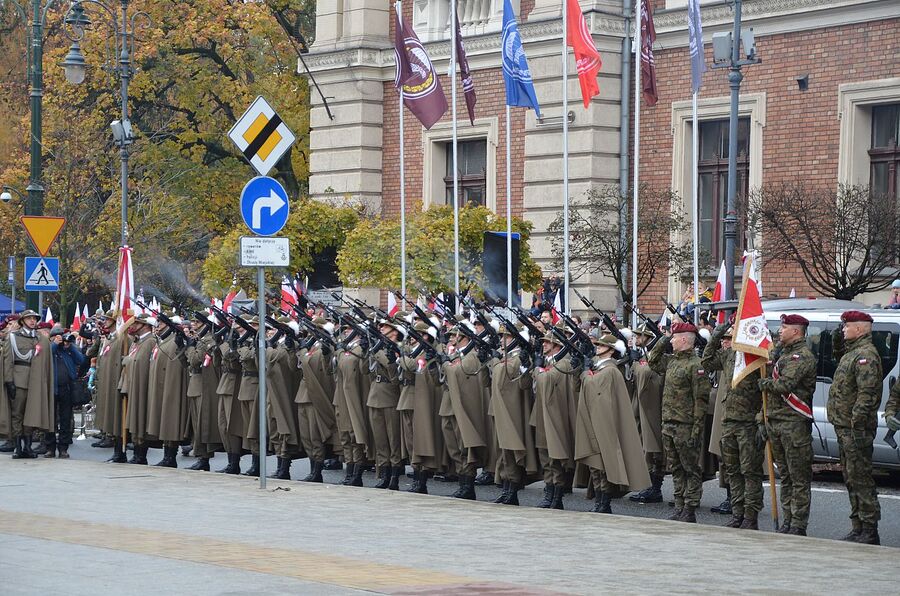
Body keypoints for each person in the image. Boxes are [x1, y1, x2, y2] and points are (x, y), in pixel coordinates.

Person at [575, 332, 650, 514]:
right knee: (596, 466)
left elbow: (594, 386)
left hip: (605, 423)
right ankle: (600, 501)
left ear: (610, 350)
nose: (597, 347)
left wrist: (585, 372)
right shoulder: (602, 368)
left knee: (603, 464)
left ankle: (604, 502)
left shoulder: (610, 370)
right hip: (597, 419)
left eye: (601, 345)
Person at [827, 310, 882, 545]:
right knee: (851, 477)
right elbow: (837, 348)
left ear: (859, 329)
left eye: (847, 326)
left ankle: (869, 529)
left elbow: (867, 395)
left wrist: (857, 425)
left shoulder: (866, 355)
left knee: (861, 478)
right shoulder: (852, 353)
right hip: (844, 426)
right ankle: (858, 526)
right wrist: (837, 335)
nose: (843, 329)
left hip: (855, 429)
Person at [758, 314, 817, 536]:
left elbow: (785, 384)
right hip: (777, 422)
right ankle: (788, 520)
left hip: (794, 423)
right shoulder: (782, 354)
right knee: (785, 475)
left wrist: (763, 383)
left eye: (784, 327)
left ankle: (798, 524)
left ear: (796, 331)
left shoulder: (801, 356)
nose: (780, 331)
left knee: (798, 477)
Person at [702, 323, 763, 530]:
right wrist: (719, 331)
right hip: (728, 422)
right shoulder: (727, 357)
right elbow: (707, 359)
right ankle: (737, 513)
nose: (725, 342)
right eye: (724, 339)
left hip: (748, 423)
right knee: (732, 471)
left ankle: (750, 516)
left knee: (749, 472)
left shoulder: (755, 358)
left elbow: (765, 389)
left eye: (729, 338)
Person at [648, 322, 711, 523]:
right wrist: (665, 337)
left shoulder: (696, 365)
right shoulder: (672, 361)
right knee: (675, 468)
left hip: (686, 425)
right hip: (669, 424)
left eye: (675, 337)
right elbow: (653, 360)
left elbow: (701, 401)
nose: (672, 341)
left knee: (690, 469)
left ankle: (690, 508)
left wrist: (696, 430)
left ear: (684, 340)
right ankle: (679, 505)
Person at [490, 323, 537, 506]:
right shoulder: (506, 357)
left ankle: (512, 490)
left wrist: (496, 361)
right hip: (501, 409)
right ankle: (507, 488)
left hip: (514, 411)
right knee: (503, 452)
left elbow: (520, 383)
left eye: (507, 337)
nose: (503, 340)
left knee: (512, 450)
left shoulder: (518, 358)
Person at [531, 331, 579, 509]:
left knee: (555, 456)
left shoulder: (563, 363)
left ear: (558, 345)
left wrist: (537, 369)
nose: (543, 345)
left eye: (547, 342)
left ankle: (556, 496)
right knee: (545, 455)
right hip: (543, 415)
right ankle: (549, 491)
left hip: (555, 416)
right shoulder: (550, 362)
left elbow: (546, 381)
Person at [4, 310, 53, 459]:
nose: (32, 321)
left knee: (31, 415)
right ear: (22, 321)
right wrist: (9, 380)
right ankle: (18, 447)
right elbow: (8, 360)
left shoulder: (40, 339)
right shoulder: (13, 337)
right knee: (17, 414)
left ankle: (28, 447)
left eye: (34, 318)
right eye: (29, 318)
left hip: (36, 381)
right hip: (19, 380)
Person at [629, 324, 665, 504]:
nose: (636, 339)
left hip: (653, 408)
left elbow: (649, 377)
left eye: (639, 336)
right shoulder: (644, 355)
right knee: (645, 445)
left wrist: (636, 364)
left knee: (654, 447)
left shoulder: (657, 358)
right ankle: (650, 485)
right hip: (642, 406)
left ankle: (655, 488)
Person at [45, 332, 86, 458]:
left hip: (67, 389)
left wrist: (70, 346)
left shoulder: (67, 351)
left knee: (65, 419)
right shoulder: (49, 349)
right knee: (50, 420)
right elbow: (43, 357)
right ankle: (50, 448)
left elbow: (81, 360)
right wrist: (54, 344)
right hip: (50, 388)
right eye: (58, 337)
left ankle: (63, 448)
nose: (62, 340)